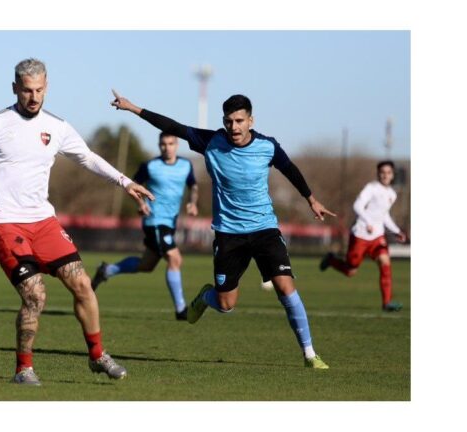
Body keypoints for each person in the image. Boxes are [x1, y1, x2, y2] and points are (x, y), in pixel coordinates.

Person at [0, 58, 154, 385]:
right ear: (15, 89)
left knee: (82, 284)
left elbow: (87, 158)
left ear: (46, 87)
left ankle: (97, 356)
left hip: (43, 222)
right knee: (36, 294)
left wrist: (124, 182)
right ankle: (24, 369)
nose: (33, 97)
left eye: (38, 90)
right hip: (3, 222)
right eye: (26, 90)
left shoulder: (57, 127)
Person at [111, 91, 335, 369]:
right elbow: (172, 127)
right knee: (226, 304)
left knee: (285, 287)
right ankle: (207, 297)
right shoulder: (211, 142)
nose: (234, 127)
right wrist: (133, 108)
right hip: (229, 235)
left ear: (250, 120)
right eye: (229, 121)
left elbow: (289, 169)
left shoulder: (268, 146)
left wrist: (311, 199)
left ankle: (310, 354)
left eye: (239, 120)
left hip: (265, 229)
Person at [91, 132, 198, 320]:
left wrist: (193, 202)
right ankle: (181, 310)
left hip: (170, 222)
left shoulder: (185, 165)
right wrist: (141, 205)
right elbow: (132, 186)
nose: (167, 147)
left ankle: (107, 270)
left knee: (146, 265)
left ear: (177, 144)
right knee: (175, 259)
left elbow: (193, 186)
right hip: (154, 221)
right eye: (163, 144)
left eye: (171, 143)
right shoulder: (150, 166)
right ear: (159, 145)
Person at [320, 161, 407, 312]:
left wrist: (396, 231)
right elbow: (357, 205)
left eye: (388, 172)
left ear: (393, 175)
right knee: (350, 271)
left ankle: (387, 303)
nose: (385, 175)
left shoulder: (392, 194)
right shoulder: (371, 188)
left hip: (377, 236)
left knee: (385, 263)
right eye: (382, 172)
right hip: (360, 234)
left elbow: (384, 215)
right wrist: (367, 222)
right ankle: (331, 260)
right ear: (378, 173)